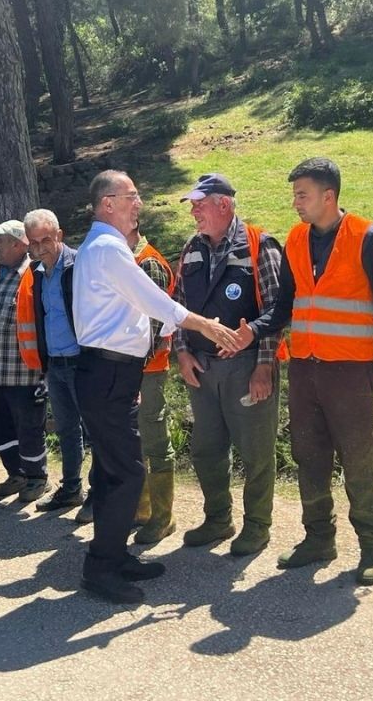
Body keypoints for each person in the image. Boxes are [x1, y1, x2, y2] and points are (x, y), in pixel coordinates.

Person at [72, 169, 240, 604]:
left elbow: (144, 306)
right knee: (124, 473)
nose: (139, 203)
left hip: (113, 373)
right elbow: (153, 299)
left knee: (118, 470)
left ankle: (113, 555)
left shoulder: (105, 246)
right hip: (107, 373)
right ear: (107, 202)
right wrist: (202, 324)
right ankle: (101, 567)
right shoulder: (108, 247)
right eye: (132, 196)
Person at [252, 157, 373, 586]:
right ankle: (319, 538)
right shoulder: (296, 240)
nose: (296, 203)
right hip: (305, 369)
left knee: (359, 460)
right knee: (309, 455)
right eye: (295, 194)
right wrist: (252, 332)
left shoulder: (368, 238)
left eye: (302, 194)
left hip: (350, 372)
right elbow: (284, 306)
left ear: (328, 196)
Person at [174, 173, 284, 556]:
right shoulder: (191, 249)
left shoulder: (260, 245)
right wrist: (182, 351)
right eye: (192, 206)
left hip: (247, 367)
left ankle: (257, 526)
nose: (193, 213)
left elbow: (276, 310)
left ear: (224, 204)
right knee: (207, 451)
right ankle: (217, 519)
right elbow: (177, 307)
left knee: (255, 452)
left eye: (199, 205)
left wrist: (264, 367)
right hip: (202, 370)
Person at [0, 220, 52, 504]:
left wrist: (45, 368)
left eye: (1, 239)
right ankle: (16, 472)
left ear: (20, 244)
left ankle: (37, 477)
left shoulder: (35, 275)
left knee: (29, 427)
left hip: (25, 371)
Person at [20, 209, 88, 512]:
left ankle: (100, 493)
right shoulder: (34, 274)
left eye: (45, 240)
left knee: (97, 430)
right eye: (33, 242)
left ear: (59, 235)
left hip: (83, 361)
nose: (39, 248)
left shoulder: (79, 265)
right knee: (67, 430)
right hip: (55, 364)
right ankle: (72, 489)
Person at [128, 222, 177, 542]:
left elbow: (154, 323)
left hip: (147, 371)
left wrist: (134, 373)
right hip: (133, 370)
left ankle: (162, 517)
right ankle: (142, 510)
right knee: (137, 441)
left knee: (155, 441)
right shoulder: (130, 261)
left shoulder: (147, 263)